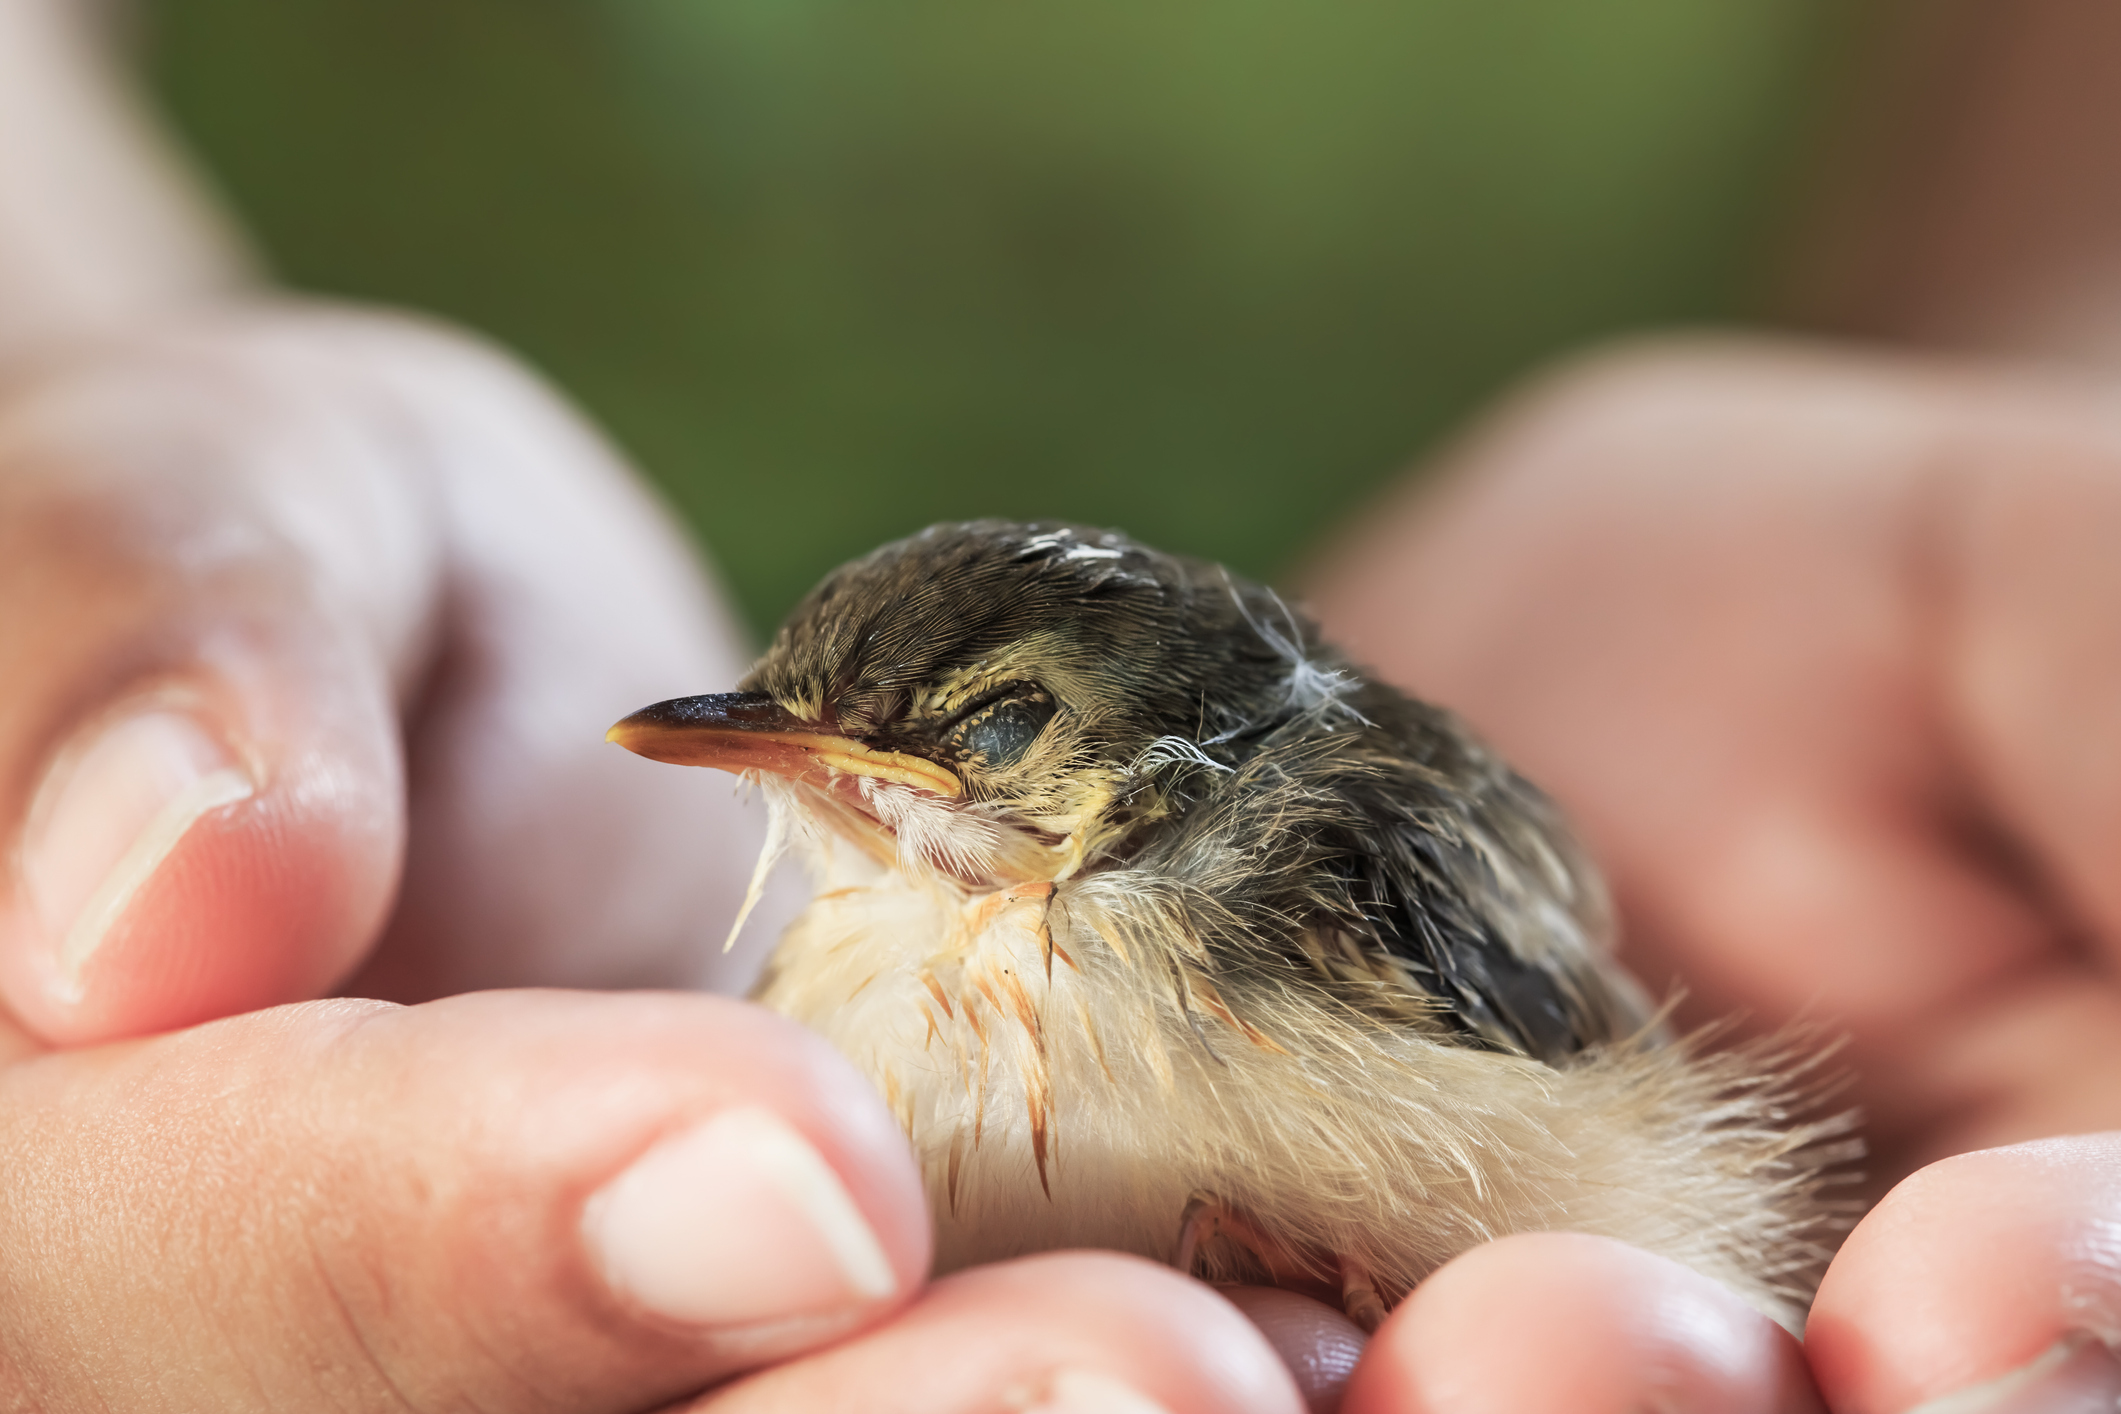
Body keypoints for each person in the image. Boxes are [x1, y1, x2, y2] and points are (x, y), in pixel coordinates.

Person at [4, 3, 2118, 1411]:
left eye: (992, 728)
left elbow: (1613, 1133)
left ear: (1150, 761)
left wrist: (2039, 376)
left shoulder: (1306, 851)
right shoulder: (817, 955)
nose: (850, 782)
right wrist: (78, 376)